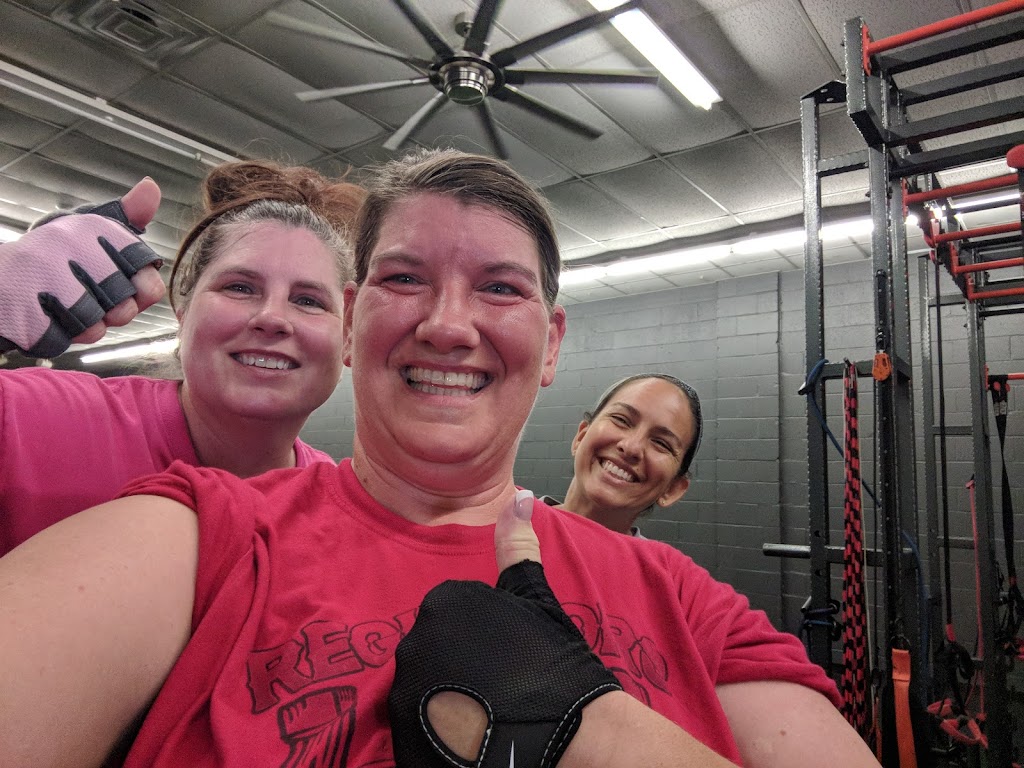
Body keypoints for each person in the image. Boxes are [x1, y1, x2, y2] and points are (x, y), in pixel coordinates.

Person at [0, 149, 879, 768]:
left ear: (551, 342)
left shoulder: (682, 600)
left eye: (499, 287)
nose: (449, 325)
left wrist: (605, 739)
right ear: (354, 322)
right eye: (404, 278)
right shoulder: (199, 540)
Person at [0, 160, 365, 554]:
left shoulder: (340, 509)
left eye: (309, 301)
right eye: (240, 288)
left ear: (347, 338)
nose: (272, 318)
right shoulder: (33, 418)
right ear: (183, 312)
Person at [544, 373, 701, 537]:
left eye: (661, 443)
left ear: (672, 489)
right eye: (621, 420)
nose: (631, 447)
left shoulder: (654, 556)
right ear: (581, 437)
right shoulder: (523, 521)